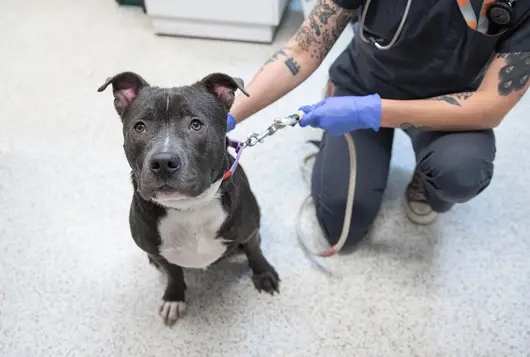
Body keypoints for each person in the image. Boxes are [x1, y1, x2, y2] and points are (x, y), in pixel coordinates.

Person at [226, 0, 530, 248]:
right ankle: (337, 136)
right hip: (365, 82)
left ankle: (424, 181)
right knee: (341, 226)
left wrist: (367, 112)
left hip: (451, 104)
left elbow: (491, 105)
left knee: (460, 172)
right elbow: (302, 50)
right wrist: (227, 113)